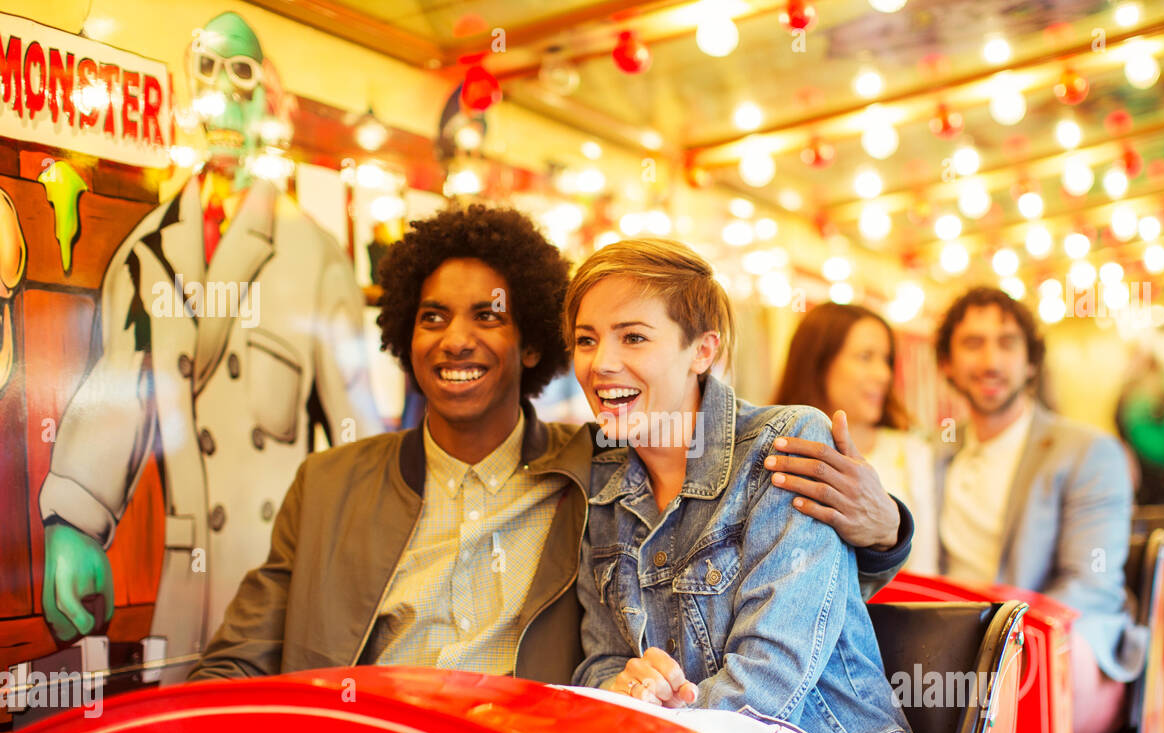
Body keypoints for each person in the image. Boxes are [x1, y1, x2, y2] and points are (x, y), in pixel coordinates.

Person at [189, 204, 906, 688]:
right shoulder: (328, 484)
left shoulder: (593, 467)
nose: (456, 339)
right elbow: (238, 660)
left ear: (532, 342)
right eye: (431, 316)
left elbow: (775, 556)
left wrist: (885, 529)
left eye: (487, 317)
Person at [39, 12, 382, 681]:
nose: (225, 94)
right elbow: (119, 391)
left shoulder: (313, 258)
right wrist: (71, 525)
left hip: (283, 590)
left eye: (244, 75)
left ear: (268, 107)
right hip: (187, 593)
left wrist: (363, 587)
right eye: (208, 72)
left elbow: (356, 444)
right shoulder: (145, 254)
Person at [566, 239, 925, 733]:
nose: (602, 364)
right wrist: (627, 685)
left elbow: (775, 675)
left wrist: (655, 726)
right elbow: (599, 663)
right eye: (587, 339)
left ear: (703, 350)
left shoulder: (787, 441)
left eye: (634, 338)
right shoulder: (599, 483)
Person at [935, 286, 1138, 733]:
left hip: (1058, 640)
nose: (990, 361)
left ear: (1030, 363)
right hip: (950, 648)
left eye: (1007, 343)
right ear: (946, 364)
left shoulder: (1087, 451)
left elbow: (1089, 586)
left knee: (1040, 667)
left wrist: (996, 638)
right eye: (973, 343)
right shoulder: (933, 454)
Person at [774, 302, 938, 573]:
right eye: (865, 357)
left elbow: (925, 567)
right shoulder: (777, 452)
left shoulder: (912, 451)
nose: (884, 374)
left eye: (886, 360)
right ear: (818, 362)